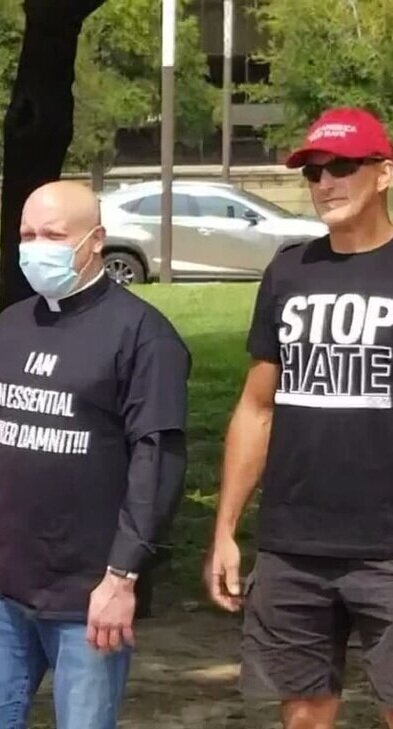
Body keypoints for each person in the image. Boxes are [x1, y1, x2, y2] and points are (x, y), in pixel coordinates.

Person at [0, 181, 190, 729]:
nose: (36, 246)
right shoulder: (9, 328)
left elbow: (157, 462)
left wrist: (123, 577)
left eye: (54, 235)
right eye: (27, 234)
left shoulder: (145, 337)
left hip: (90, 595)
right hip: (3, 587)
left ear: (95, 240)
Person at [204, 106, 393, 729]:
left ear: (383, 174)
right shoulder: (290, 271)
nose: (326, 184)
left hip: (387, 548)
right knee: (304, 718)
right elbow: (257, 407)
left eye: (342, 167)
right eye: (314, 173)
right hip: (294, 548)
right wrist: (226, 528)